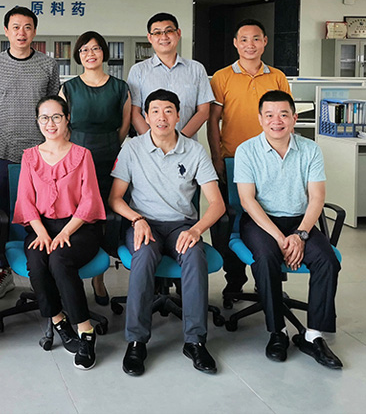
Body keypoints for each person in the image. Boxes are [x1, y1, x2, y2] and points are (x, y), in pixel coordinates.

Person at [109, 89, 225, 376]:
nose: (162, 117)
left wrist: (197, 230)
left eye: (168, 111)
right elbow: (115, 198)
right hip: (143, 222)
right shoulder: (132, 149)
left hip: (181, 225)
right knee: (144, 254)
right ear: (146, 117)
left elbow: (217, 204)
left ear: (178, 116)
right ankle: (136, 341)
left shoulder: (194, 151)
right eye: (155, 111)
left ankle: (195, 341)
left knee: (194, 255)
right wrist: (136, 219)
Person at [235, 90, 342, 369]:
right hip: (261, 221)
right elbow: (247, 200)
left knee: (327, 260)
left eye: (284, 114)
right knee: (266, 257)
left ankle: (313, 336)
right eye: (269, 115)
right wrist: (281, 238)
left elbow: (317, 197)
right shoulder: (246, 150)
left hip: (299, 221)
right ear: (260, 119)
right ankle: (277, 332)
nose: (277, 121)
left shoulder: (310, 149)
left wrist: (301, 234)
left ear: (294, 118)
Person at [14, 96, 106, 370]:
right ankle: (58, 321)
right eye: (44, 118)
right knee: (36, 261)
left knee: (59, 259)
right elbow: (25, 200)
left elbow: (89, 200)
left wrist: (65, 232)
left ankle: (86, 331)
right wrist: (42, 233)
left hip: (78, 227)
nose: (50, 123)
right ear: (37, 122)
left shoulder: (82, 155)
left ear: (67, 119)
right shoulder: (30, 156)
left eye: (56, 117)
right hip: (40, 226)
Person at [0, 6, 60, 300]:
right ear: (6, 31)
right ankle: (3, 267)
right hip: (4, 150)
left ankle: (45, 264)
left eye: (27, 27)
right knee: (2, 210)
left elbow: (52, 107)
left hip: (42, 152)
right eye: (15, 27)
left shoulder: (48, 65)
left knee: (43, 209)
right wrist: (3, 128)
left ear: (34, 31)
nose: (21, 33)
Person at [208, 19, 291, 299]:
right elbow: (213, 120)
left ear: (265, 41)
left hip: (271, 160)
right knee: (234, 220)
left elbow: (285, 119)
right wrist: (217, 157)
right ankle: (234, 279)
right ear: (235, 43)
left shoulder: (277, 77)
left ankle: (269, 279)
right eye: (244, 39)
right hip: (233, 159)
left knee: (272, 215)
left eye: (256, 38)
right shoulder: (222, 77)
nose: (250, 45)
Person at [60, 30, 130, 305]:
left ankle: (99, 277)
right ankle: (73, 271)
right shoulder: (69, 88)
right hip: (75, 159)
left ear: (104, 53)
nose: (90, 54)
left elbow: (124, 126)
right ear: (78, 56)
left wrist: (109, 145)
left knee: (104, 217)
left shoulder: (120, 87)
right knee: (76, 214)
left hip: (109, 158)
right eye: (84, 50)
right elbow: (62, 126)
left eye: (96, 48)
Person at [127, 12, 214, 140]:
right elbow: (134, 113)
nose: (164, 37)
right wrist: (153, 142)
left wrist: (179, 140)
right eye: (157, 33)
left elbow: (203, 111)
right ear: (150, 38)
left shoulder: (196, 69)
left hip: (187, 145)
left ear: (178, 33)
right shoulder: (138, 71)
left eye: (169, 31)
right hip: (149, 148)